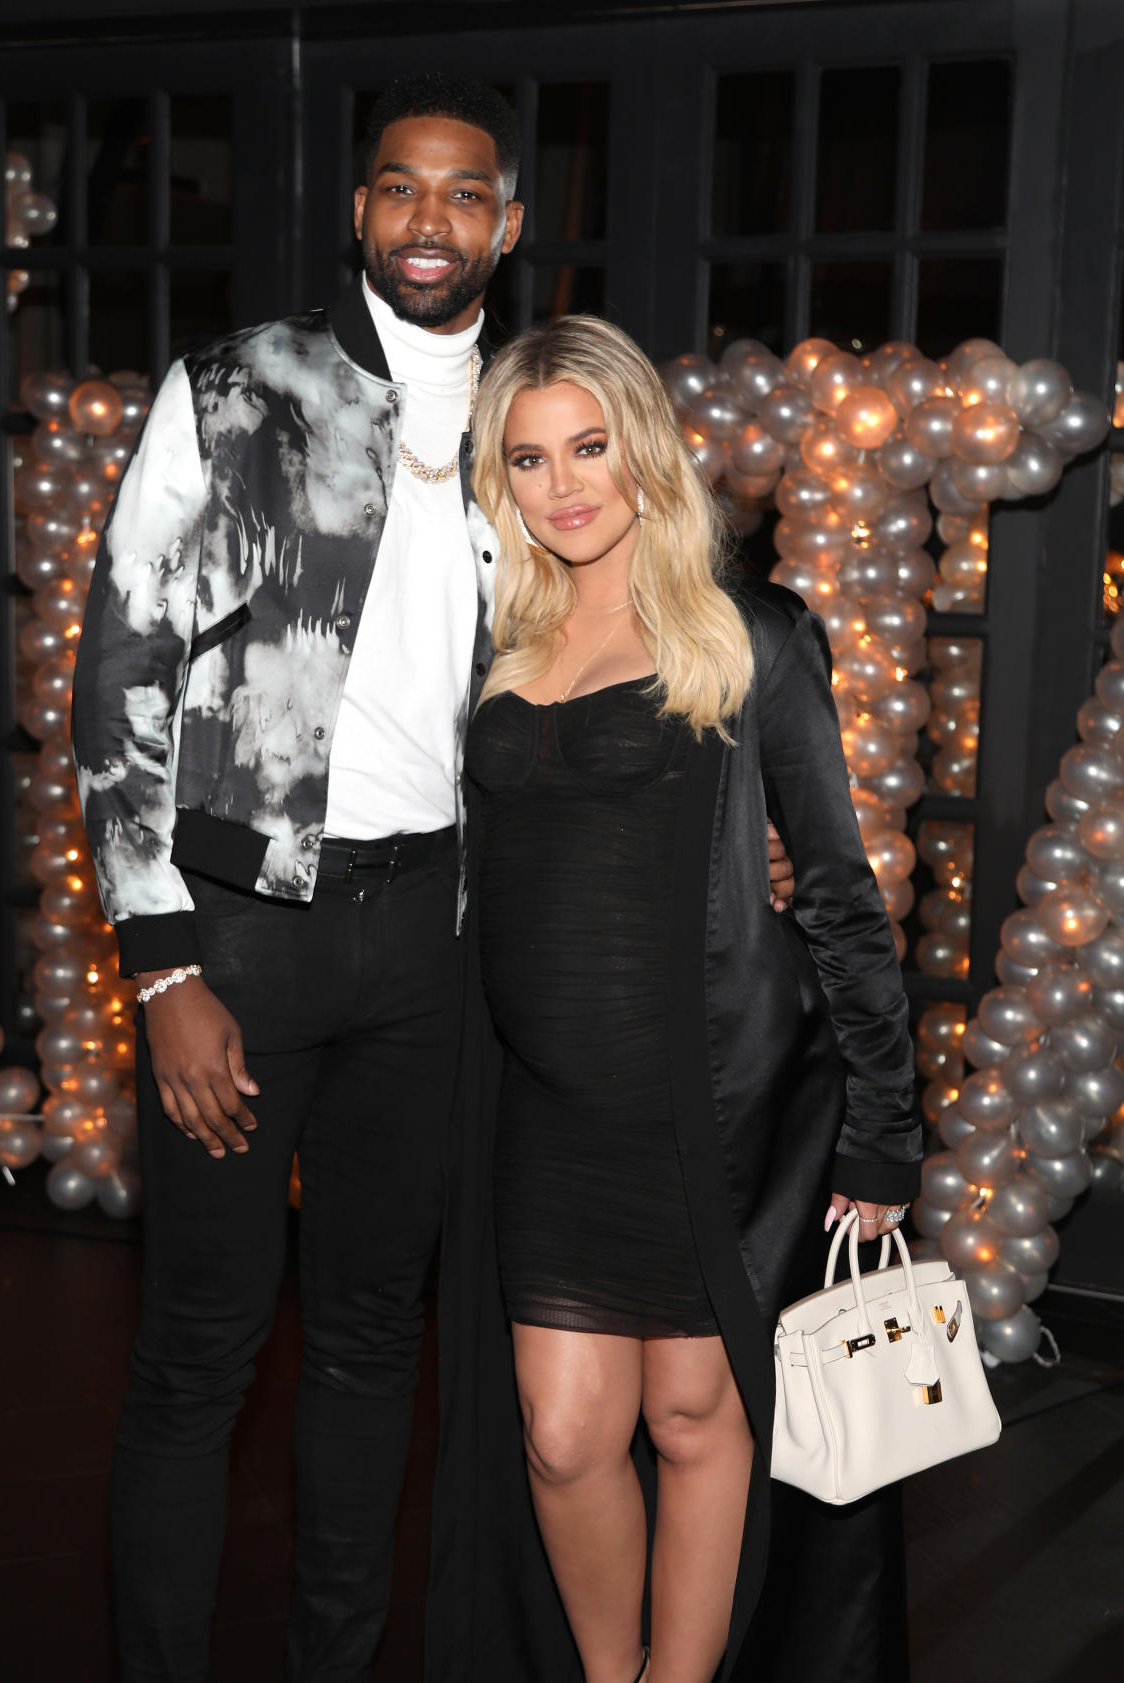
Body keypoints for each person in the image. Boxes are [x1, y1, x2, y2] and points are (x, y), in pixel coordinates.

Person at [71, 69, 799, 1683]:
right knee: (197, 1355)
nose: (429, 220)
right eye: (400, 188)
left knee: (369, 1348)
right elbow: (117, 666)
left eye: (465, 194)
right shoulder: (236, 384)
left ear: (507, 224)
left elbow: (626, 650)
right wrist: (161, 962)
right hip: (237, 942)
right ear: (359, 210)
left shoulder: (526, 431)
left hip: (437, 952)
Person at [461, 315, 922, 1683]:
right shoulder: (495, 638)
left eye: (588, 447)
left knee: (688, 1414)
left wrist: (885, 1127)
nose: (563, 486)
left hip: (708, 1104)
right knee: (558, 1433)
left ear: (643, 451)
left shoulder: (749, 637)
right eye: (530, 459)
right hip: (542, 1112)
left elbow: (839, 891)